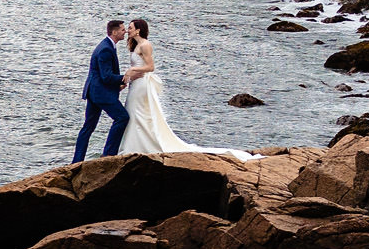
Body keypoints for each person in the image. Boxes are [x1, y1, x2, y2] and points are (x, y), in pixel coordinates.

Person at [117, 18, 255, 160]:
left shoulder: (145, 45)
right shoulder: (136, 45)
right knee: (134, 113)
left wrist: (132, 69)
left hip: (142, 85)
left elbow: (150, 67)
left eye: (131, 27)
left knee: (138, 113)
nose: (128, 30)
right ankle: (134, 144)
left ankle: (140, 145)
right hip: (136, 84)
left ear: (138, 30)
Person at [72, 19, 129, 162]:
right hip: (101, 93)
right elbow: (106, 76)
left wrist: (117, 85)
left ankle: (77, 160)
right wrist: (125, 78)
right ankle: (109, 153)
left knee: (88, 127)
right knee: (122, 118)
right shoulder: (105, 49)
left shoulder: (107, 46)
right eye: (122, 30)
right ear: (114, 32)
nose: (125, 32)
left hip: (94, 92)